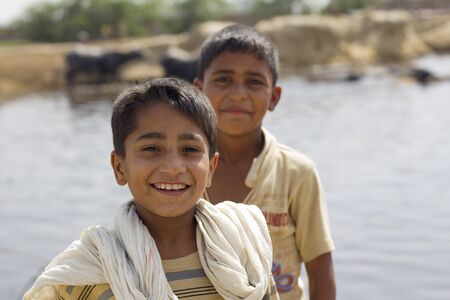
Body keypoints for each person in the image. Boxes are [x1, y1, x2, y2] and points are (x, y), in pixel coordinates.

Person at [24, 78, 279, 300]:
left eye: (190, 150)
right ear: (119, 167)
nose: (172, 167)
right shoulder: (85, 273)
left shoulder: (244, 247)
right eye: (151, 149)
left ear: (211, 168)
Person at [194, 24, 336, 300]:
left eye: (254, 82)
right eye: (223, 79)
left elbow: (320, 271)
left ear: (274, 97)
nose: (238, 93)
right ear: (199, 90)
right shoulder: (181, 171)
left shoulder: (296, 173)